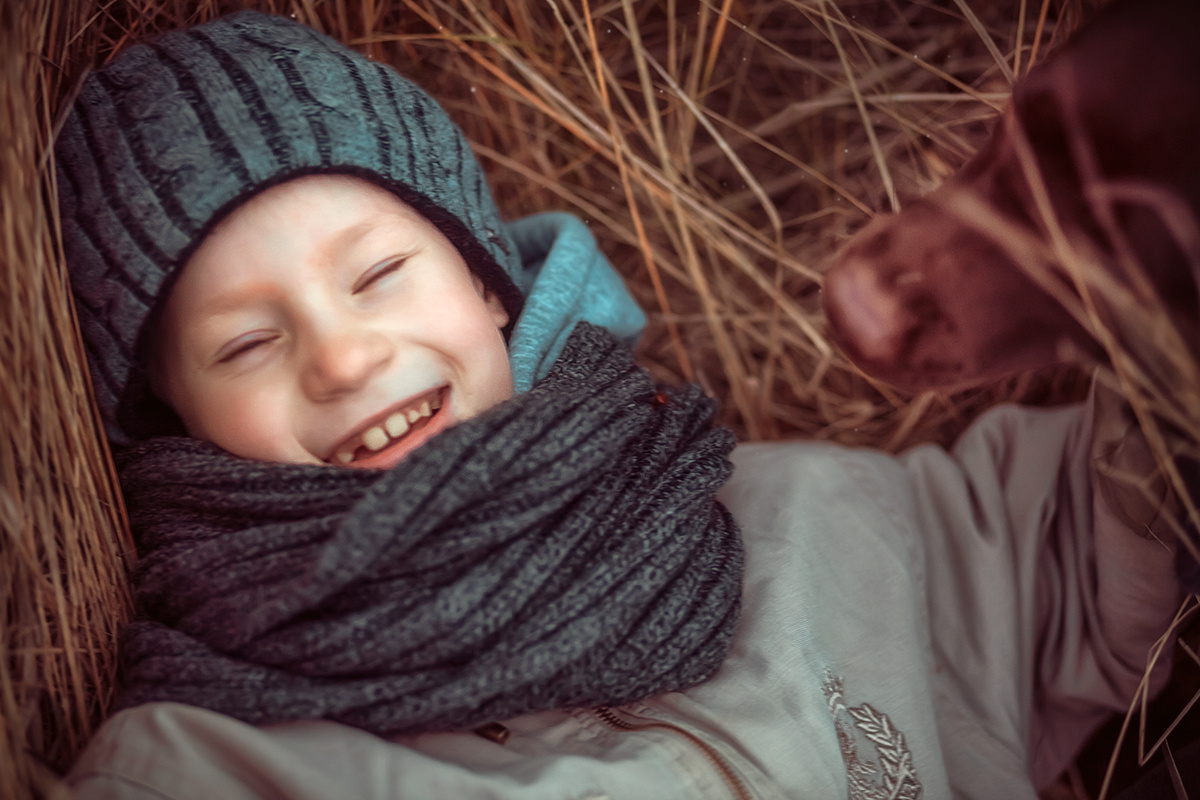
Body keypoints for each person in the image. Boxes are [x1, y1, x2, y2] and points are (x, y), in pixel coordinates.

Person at [57, 9, 1185, 800]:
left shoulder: (811, 516)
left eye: (379, 273)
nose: (345, 357)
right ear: (177, 426)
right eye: (247, 341)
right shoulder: (208, 763)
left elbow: (1100, 543)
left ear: (489, 283)